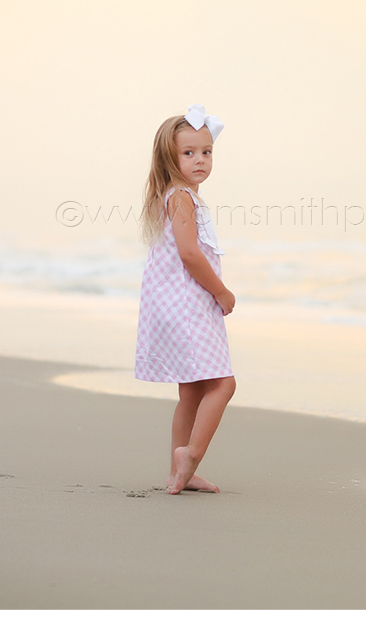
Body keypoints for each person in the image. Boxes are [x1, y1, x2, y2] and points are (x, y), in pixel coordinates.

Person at [135, 104, 236, 495]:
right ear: (170, 158)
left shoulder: (177, 196)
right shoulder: (182, 199)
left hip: (172, 305)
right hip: (188, 305)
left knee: (192, 389)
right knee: (223, 385)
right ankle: (190, 455)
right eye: (189, 153)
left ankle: (180, 471)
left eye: (206, 152)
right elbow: (190, 254)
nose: (200, 160)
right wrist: (221, 291)